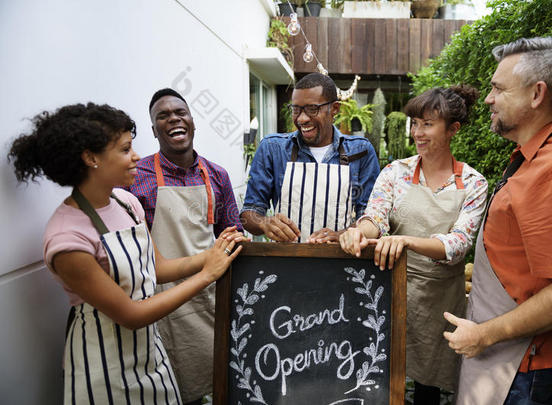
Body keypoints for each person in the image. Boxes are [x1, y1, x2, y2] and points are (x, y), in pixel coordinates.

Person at [8, 103, 244, 404]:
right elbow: (132, 315)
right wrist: (207, 274)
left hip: (152, 356)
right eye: (124, 150)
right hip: (104, 365)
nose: (136, 157)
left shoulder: (125, 202)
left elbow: (158, 268)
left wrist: (214, 254)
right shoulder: (67, 238)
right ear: (91, 158)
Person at [443, 37, 552, 405]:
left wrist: (484, 334)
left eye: (498, 89)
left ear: (537, 94)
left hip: (523, 370)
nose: (488, 99)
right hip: (512, 360)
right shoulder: (539, 153)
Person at [340, 85, 488, 405]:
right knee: (377, 375)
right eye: (415, 123)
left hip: (439, 299)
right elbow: (376, 217)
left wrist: (405, 240)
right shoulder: (396, 172)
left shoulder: (473, 184)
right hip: (390, 287)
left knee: (426, 388)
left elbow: (458, 244)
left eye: (428, 124)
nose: (417, 133)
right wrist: (359, 232)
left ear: (453, 129)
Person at [125, 88, 242, 404]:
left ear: (192, 121)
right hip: (159, 299)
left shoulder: (217, 175)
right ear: (154, 130)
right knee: (171, 388)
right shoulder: (136, 179)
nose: (174, 119)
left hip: (209, 297)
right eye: (163, 116)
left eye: (180, 112)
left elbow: (233, 233)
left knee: (222, 381)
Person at [240, 72, 380, 243]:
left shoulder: (361, 151)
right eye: (296, 110)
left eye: (312, 109)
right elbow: (249, 212)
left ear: (334, 109)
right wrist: (264, 223)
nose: (302, 119)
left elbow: (370, 215)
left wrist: (341, 235)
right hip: (285, 261)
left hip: (341, 260)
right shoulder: (272, 148)